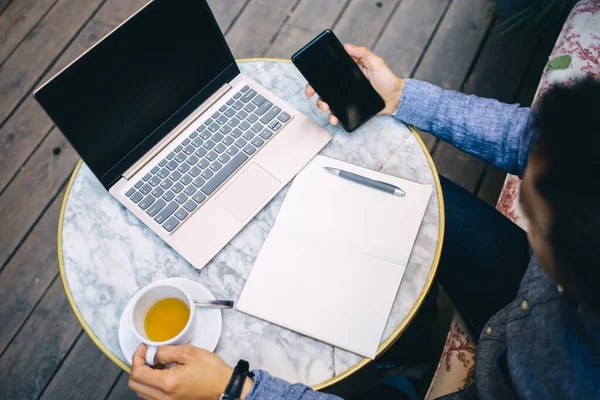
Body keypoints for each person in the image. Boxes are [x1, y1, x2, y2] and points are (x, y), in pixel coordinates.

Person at [129, 44, 600, 399]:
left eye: (531, 214)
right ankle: (412, 344)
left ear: (565, 255)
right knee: (404, 190)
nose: (525, 210)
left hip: (511, 373)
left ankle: (398, 378)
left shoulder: (569, 381)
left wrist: (239, 390)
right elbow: (533, 140)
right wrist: (400, 95)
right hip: (528, 295)